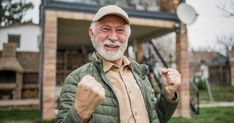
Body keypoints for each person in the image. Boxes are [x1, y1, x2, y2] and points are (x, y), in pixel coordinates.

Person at [56, 5, 181, 123]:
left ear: (128, 35)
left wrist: (168, 94)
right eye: (105, 29)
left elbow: (155, 118)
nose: (113, 37)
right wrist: (80, 113)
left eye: (120, 30)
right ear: (91, 33)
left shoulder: (139, 72)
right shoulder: (76, 79)